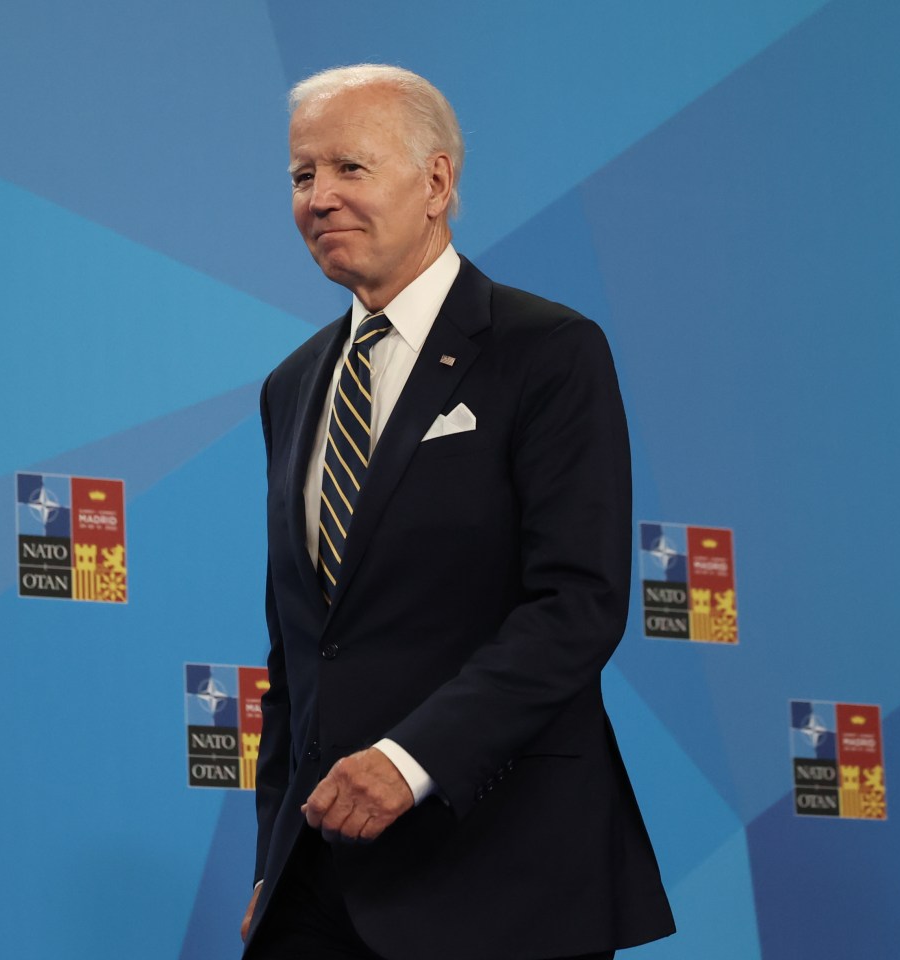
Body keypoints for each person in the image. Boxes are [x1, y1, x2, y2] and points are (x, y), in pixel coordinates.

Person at [242, 64, 675, 960]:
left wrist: (408, 762)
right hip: (319, 889)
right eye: (301, 176)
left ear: (436, 183)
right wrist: (271, 859)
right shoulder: (291, 387)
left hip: (499, 874)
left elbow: (576, 604)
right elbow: (298, 648)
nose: (319, 198)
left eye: (348, 169)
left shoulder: (546, 352)